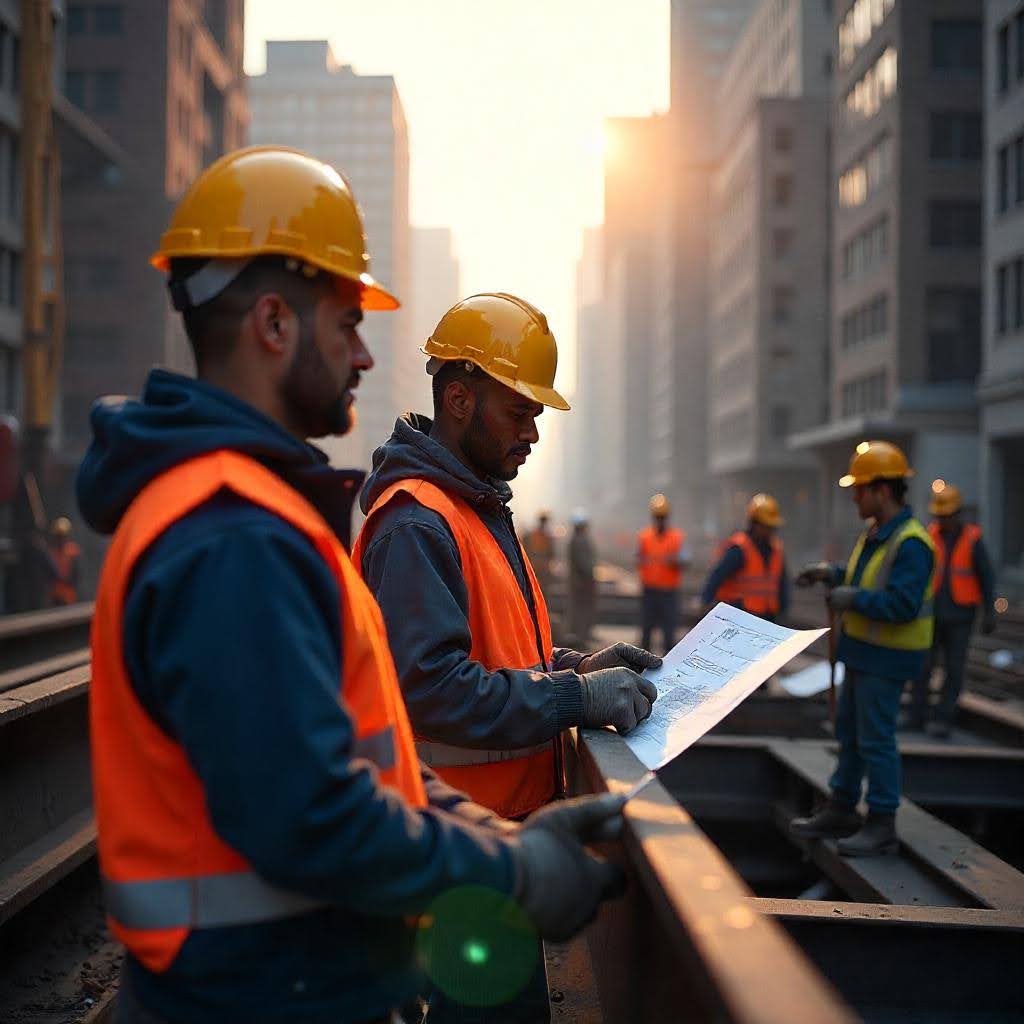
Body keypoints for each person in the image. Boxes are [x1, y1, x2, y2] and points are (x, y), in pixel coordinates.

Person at [78, 148, 625, 1024]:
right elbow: (314, 814)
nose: (366, 355)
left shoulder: (250, 513)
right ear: (273, 323)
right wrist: (516, 870)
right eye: (346, 324)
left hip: (274, 982)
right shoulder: (232, 535)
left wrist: (500, 839)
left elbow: (366, 763)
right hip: (254, 996)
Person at [355, 292, 660, 823]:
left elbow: (500, 656)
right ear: (458, 399)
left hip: (500, 828)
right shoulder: (416, 523)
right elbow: (433, 690)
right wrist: (577, 697)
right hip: (455, 837)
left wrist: (576, 667)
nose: (531, 434)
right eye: (519, 413)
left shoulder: (476, 509)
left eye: (535, 416)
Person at [792, 441, 935, 857]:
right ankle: (841, 806)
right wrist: (832, 574)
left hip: (886, 659)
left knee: (875, 739)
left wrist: (851, 599)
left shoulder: (912, 543)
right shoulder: (877, 534)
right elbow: (865, 578)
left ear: (882, 491)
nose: (854, 497)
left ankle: (882, 823)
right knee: (850, 733)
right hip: (862, 652)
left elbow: (903, 604)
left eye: (859, 489)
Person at [908, 481, 996, 738]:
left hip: (961, 616)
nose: (942, 520)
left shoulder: (973, 539)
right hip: (931, 614)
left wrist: (989, 611)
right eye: (939, 516)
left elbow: (986, 577)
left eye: (946, 516)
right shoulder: (929, 536)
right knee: (923, 666)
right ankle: (916, 716)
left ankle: (943, 719)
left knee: (954, 669)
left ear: (958, 514)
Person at [702, 494, 787, 622]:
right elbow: (717, 575)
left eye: (772, 527)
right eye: (766, 526)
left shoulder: (776, 550)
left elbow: (782, 582)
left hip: (767, 616)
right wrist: (705, 601)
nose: (770, 531)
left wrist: (784, 608)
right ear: (754, 524)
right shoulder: (740, 548)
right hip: (740, 616)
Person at [636, 493, 686, 653]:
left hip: (669, 592)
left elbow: (685, 559)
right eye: (657, 517)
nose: (660, 520)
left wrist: (677, 561)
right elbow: (639, 558)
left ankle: (668, 664)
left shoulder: (677, 537)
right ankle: (642, 663)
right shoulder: (644, 536)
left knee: (669, 633)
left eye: (662, 517)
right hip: (649, 590)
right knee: (646, 631)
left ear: (667, 517)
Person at [567, 508, 597, 648]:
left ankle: (578, 636)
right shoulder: (580, 541)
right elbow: (585, 565)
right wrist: (589, 578)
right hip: (582, 583)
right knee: (582, 610)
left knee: (578, 610)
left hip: (577, 582)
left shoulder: (575, 539)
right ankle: (580, 638)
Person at [43, 516, 81, 605]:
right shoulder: (50, 553)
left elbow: (76, 574)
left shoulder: (72, 550)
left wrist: (68, 581)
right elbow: (49, 575)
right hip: (55, 596)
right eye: (58, 536)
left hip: (69, 595)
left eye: (62, 536)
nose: (61, 539)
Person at [522, 510, 555, 599]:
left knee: (537, 589)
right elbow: (551, 553)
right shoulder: (545, 536)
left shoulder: (534, 534)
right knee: (540, 590)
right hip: (539, 567)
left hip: (537, 566)